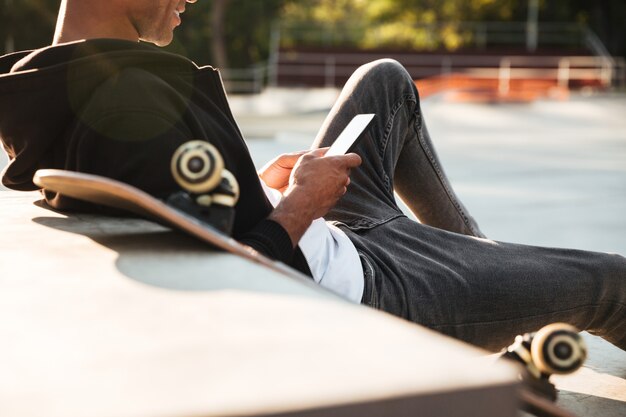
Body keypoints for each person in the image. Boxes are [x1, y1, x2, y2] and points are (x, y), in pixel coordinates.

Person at [0, 0, 624, 352]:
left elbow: (184, 209)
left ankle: (483, 269)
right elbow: (227, 278)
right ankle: (485, 280)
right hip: (366, 287)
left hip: (331, 231)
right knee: (614, 281)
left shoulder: (60, 81)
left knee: (385, 80)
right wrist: (299, 203)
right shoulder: (129, 103)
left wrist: (256, 183)